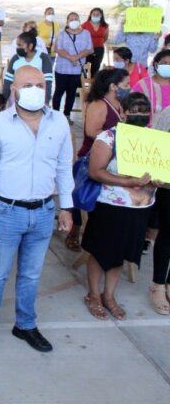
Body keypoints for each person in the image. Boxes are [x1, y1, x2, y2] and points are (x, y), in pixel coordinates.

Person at [0, 65, 74, 356]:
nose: (34, 90)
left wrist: (66, 207)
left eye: (40, 85)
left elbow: (64, 169)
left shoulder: (60, 123)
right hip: (6, 212)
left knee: (31, 274)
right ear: (13, 90)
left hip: (43, 211)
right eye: (27, 85)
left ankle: (25, 325)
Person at [81, 92, 158, 321]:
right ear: (122, 113)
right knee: (101, 252)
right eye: (133, 110)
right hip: (111, 205)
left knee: (122, 254)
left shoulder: (153, 140)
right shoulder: (108, 138)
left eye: (143, 110)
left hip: (141, 207)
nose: (139, 114)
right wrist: (128, 181)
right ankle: (93, 294)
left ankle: (109, 295)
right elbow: (96, 172)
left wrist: (159, 180)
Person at [114, 0, 162, 83]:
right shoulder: (129, 20)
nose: (142, 2)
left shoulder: (151, 26)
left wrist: (156, 38)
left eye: (145, 0)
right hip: (127, 67)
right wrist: (123, 27)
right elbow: (117, 40)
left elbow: (152, 50)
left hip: (142, 66)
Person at [53, 12, 93, 122]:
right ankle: (55, 116)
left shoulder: (86, 33)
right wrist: (71, 57)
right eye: (71, 19)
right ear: (67, 22)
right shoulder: (62, 34)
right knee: (59, 92)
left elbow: (89, 49)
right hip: (62, 69)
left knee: (71, 94)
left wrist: (77, 57)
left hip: (76, 70)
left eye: (76, 18)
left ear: (79, 20)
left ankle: (67, 115)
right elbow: (58, 49)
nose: (74, 20)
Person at [151, 107, 170, 315]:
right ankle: (158, 285)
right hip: (168, 183)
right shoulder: (168, 114)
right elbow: (154, 143)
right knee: (167, 235)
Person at [3, 32, 54, 103]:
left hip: (37, 99)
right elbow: (8, 81)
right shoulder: (15, 58)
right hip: (16, 99)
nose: (18, 48)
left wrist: (46, 101)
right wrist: (3, 101)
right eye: (17, 45)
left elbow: (47, 82)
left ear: (30, 46)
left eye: (20, 45)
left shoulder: (43, 58)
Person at [132, 49, 170, 122]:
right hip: (149, 131)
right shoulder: (143, 85)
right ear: (156, 65)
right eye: (164, 63)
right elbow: (131, 110)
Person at [82, 8, 109, 76]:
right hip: (86, 50)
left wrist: (98, 43)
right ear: (90, 15)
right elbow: (81, 38)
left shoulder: (105, 26)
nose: (95, 16)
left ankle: (93, 85)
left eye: (97, 14)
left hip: (99, 50)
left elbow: (105, 38)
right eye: (93, 14)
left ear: (101, 15)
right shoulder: (84, 25)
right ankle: (81, 85)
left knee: (95, 68)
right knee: (84, 69)